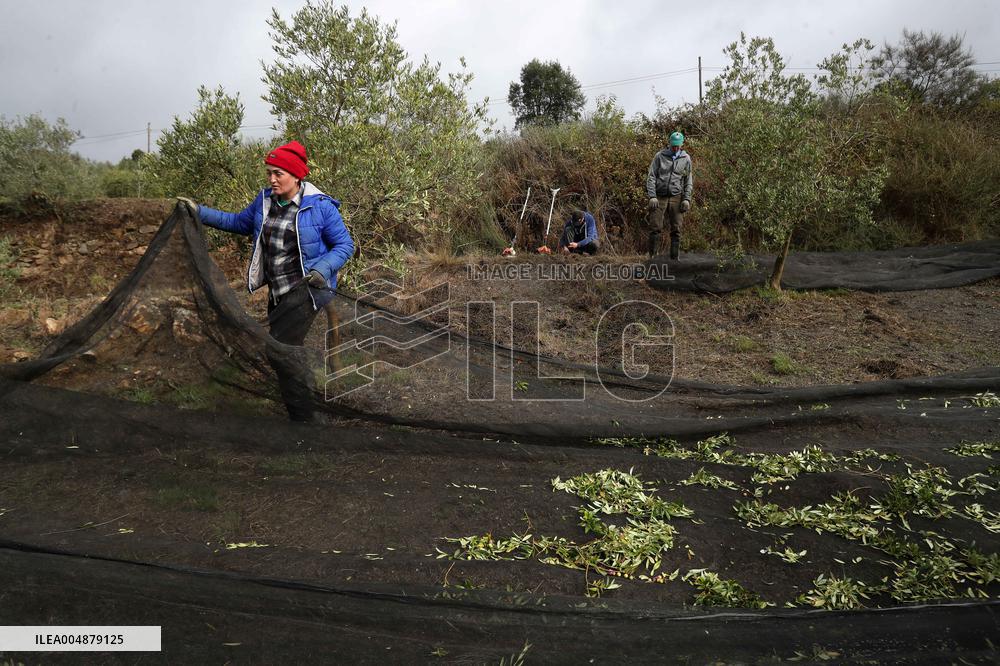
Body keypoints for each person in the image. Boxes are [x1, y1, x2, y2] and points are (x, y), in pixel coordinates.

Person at [178, 140, 354, 422]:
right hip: (278, 292)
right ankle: (308, 409)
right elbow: (237, 223)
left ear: (296, 175)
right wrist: (199, 212)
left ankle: (307, 419)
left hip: (308, 290)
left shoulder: (320, 207)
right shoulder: (264, 201)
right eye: (269, 172)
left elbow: (345, 245)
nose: (271, 179)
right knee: (285, 352)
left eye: (278, 173)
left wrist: (322, 269)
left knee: (280, 350)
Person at [646, 131, 693, 260]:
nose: (675, 148)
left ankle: (674, 259)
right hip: (659, 196)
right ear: (669, 143)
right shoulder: (659, 156)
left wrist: (687, 199)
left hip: (676, 197)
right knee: (655, 228)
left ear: (682, 144)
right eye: (673, 146)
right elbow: (651, 177)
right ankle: (653, 258)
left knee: (676, 229)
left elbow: (688, 180)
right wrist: (652, 196)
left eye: (678, 146)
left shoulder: (686, 158)